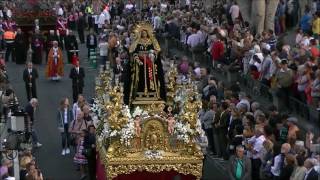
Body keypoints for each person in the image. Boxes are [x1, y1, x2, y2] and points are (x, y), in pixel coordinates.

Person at [124, 22, 166, 104]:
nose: (144, 34)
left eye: (145, 33)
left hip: (150, 63)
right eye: (142, 33)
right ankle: (139, 93)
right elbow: (133, 52)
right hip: (140, 65)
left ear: (148, 33)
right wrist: (138, 59)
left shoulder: (151, 41)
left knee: (151, 77)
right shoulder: (138, 42)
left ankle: (153, 92)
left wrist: (152, 54)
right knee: (140, 78)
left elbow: (157, 51)